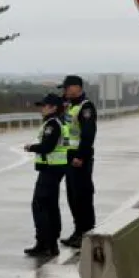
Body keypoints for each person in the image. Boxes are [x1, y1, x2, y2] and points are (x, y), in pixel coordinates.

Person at [23, 93, 71, 257]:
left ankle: (45, 243)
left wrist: (31, 147)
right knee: (50, 206)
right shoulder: (58, 122)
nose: (41, 109)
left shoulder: (52, 125)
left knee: (40, 206)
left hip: (51, 170)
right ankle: (50, 243)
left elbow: (47, 147)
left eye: (44, 106)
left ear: (53, 108)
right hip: (55, 169)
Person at [58, 75, 97, 249]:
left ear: (75, 88)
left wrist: (80, 156)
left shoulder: (85, 107)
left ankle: (86, 233)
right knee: (73, 197)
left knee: (82, 196)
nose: (64, 92)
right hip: (69, 157)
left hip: (80, 158)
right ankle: (78, 231)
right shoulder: (70, 106)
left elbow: (88, 135)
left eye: (66, 88)